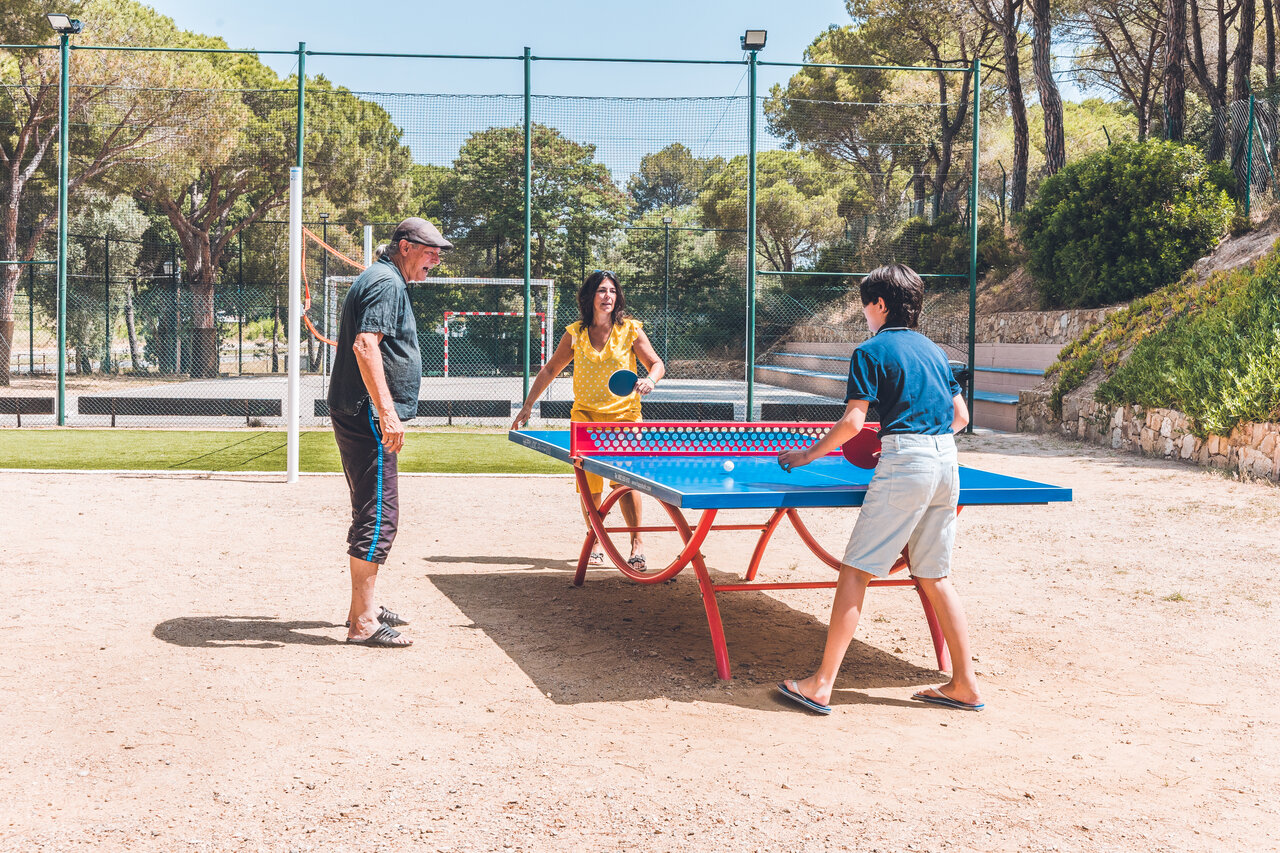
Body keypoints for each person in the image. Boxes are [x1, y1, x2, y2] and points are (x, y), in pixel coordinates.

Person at [774, 263, 981, 713]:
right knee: (933, 576)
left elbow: (852, 422)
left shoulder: (870, 351)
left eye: (865, 305)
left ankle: (821, 684)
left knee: (855, 570)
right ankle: (964, 683)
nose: (864, 314)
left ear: (880, 304)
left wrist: (807, 455)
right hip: (948, 461)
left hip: (907, 463)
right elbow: (960, 418)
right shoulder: (935, 352)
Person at [327, 217, 452, 647]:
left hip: (355, 409)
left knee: (370, 509)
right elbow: (366, 345)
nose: (436, 259)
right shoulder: (386, 283)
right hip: (367, 414)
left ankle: (362, 607)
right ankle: (363, 624)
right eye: (430, 251)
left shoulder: (379, 278)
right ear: (404, 246)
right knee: (380, 517)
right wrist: (388, 413)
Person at [512, 270, 665, 570]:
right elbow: (549, 370)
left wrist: (651, 380)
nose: (608, 296)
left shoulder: (631, 330)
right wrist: (528, 405)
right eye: (601, 291)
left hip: (624, 418)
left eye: (612, 291)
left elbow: (656, 363)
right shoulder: (576, 333)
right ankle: (595, 536)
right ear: (590, 297)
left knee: (626, 483)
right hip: (586, 419)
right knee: (589, 486)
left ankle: (637, 542)